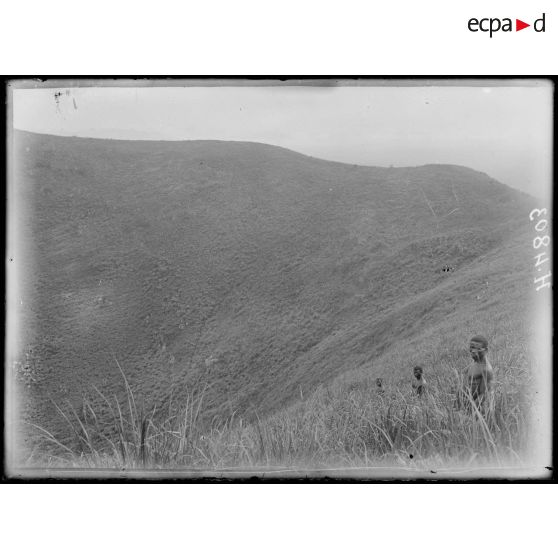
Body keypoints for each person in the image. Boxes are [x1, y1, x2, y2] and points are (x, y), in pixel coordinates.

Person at [458, 335, 494, 413]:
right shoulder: (475, 362)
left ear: (486, 350)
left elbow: (483, 394)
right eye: (472, 347)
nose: (473, 351)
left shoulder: (486, 369)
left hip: (473, 409)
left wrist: (470, 410)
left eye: (478, 349)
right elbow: (463, 373)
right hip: (464, 403)